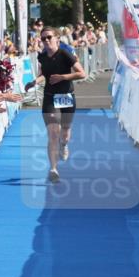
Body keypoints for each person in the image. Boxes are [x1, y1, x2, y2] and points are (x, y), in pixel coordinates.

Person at [25, 26, 86, 183]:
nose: (46, 41)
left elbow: (82, 73)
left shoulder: (65, 54)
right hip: (50, 97)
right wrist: (33, 82)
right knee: (53, 133)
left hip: (66, 96)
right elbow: (43, 76)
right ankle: (53, 169)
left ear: (57, 38)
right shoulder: (42, 57)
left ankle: (64, 145)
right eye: (43, 38)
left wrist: (63, 77)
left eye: (49, 37)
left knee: (64, 131)